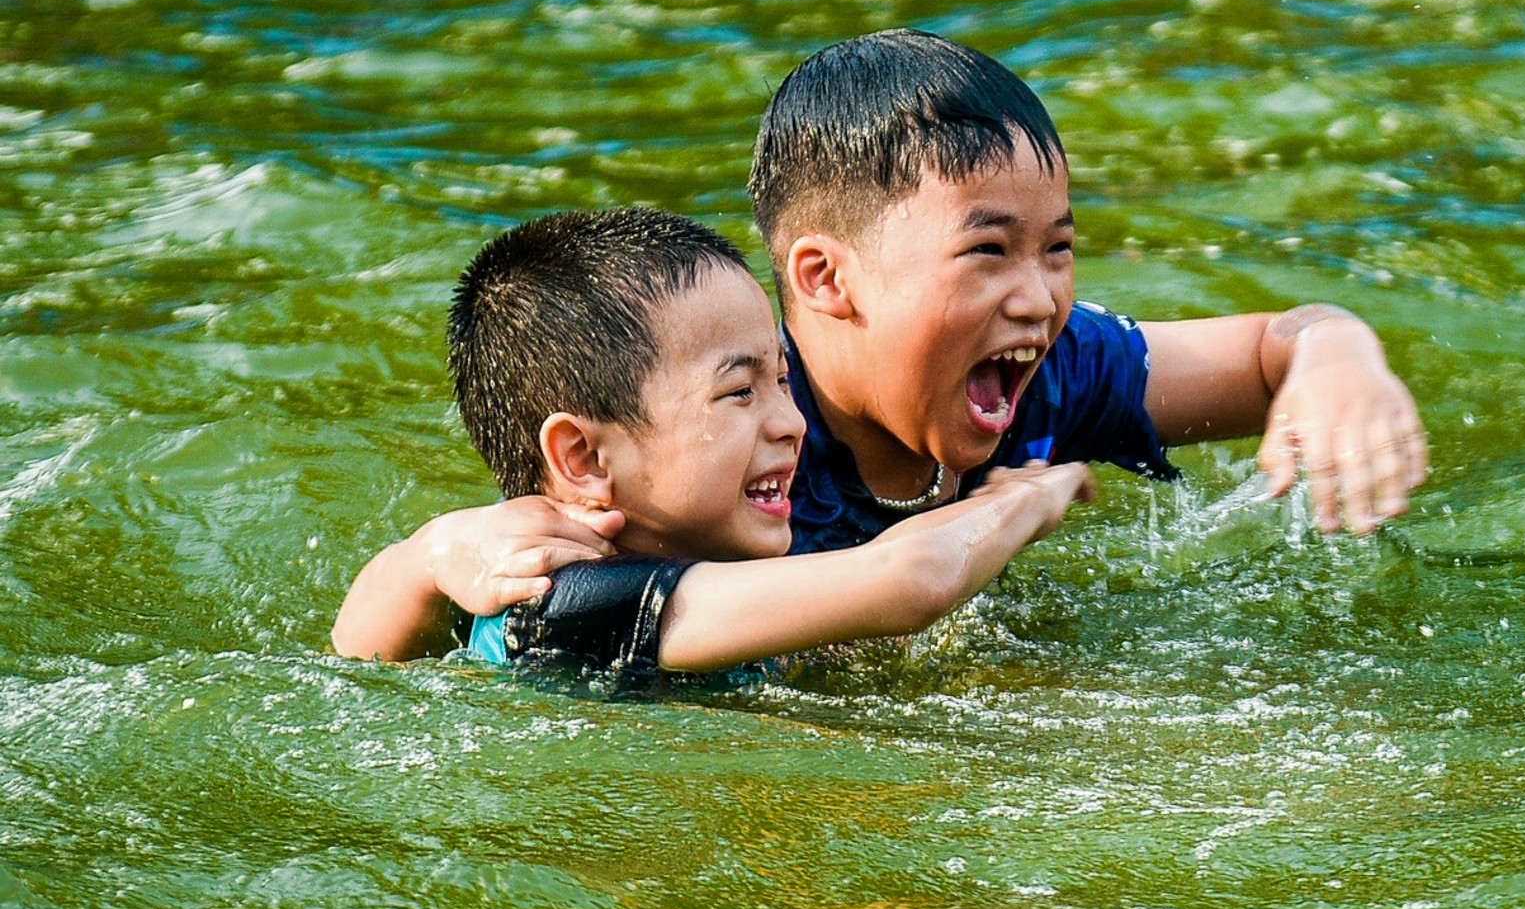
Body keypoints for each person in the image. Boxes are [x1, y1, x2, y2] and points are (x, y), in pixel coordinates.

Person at [330, 29, 1425, 658]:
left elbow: (1283, 343)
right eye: (987, 251)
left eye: (1059, 248)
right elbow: (410, 611)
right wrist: (433, 556)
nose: (1037, 298)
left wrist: (1340, 358)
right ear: (824, 280)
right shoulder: (682, 487)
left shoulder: (1042, 372)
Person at [330, 207, 1093, 688]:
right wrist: (1025, 499)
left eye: (783, 381)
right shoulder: (563, 604)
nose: (791, 423)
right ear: (585, 460)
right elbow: (912, 580)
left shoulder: (713, 569)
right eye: (738, 393)